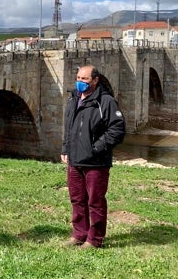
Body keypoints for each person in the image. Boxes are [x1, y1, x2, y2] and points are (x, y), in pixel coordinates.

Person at [61, 65, 125, 249]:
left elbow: (117, 130)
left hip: (96, 162)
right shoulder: (73, 99)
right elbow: (69, 127)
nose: (80, 82)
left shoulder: (106, 101)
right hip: (74, 160)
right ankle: (79, 234)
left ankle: (95, 239)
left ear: (95, 80)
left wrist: (95, 148)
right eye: (78, 78)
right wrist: (65, 148)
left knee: (95, 201)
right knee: (77, 199)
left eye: (85, 79)